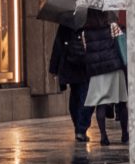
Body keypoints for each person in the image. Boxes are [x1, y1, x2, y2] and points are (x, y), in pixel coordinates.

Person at [79, 8, 127, 144]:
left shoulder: (84, 33)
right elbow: (121, 44)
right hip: (113, 68)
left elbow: (85, 50)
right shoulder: (113, 26)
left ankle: (103, 136)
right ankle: (125, 134)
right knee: (121, 102)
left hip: (96, 72)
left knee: (101, 104)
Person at [49, 8, 88, 140]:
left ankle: (78, 127)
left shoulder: (65, 22)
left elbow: (58, 46)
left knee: (75, 96)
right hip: (84, 65)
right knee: (84, 97)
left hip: (69, 65)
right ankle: (81, 129)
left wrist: (54, 69)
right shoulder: (87, 20)